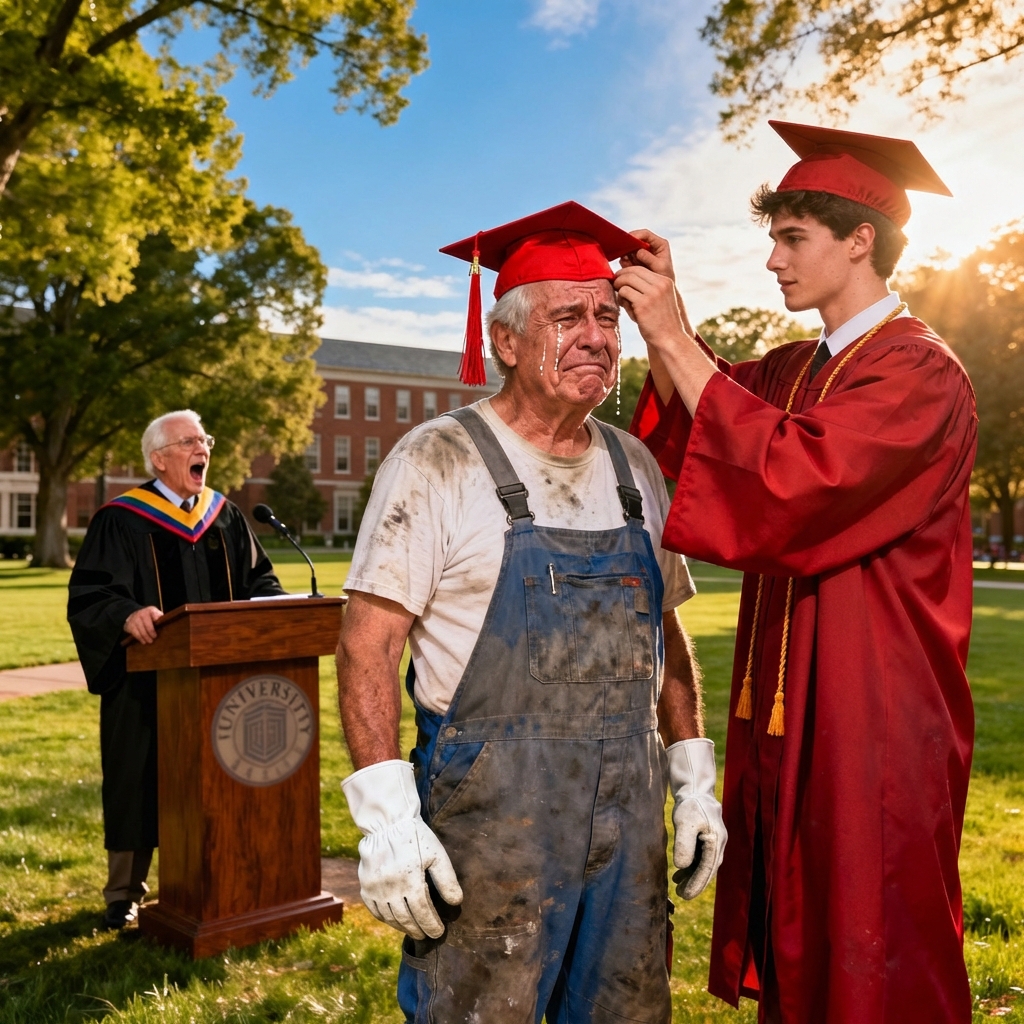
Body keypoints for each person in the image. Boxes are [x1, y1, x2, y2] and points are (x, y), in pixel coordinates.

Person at [614, 122, 978, 1023]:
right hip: (785, 696)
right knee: (796, 907)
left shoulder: (918, 373)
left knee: (875, 924)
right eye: (771, 238)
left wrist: (674, 334)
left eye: (792, 238)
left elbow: (793, 471)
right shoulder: (794, 368)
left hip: (875, 703)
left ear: (861, 240)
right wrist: (668, 319)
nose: (772, 260)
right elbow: (706, 423)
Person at [336, 202, 728, 1024]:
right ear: (506, 342)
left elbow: (665, 629)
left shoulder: (637, 466)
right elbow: (366, 646)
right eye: (566, 317)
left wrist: (693, 778)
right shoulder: (438, 457)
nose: (595, 335)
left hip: (630, 812)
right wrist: (387, 820)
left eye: (607, 315)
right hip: (492, 817)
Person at [67, 409, 284, 930]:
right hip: (145, 682)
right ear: (159, 458)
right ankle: (124, 893)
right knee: (137, 780)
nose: (201, 449)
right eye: (188, 442)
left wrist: (276, 608)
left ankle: (222, 877)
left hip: (221, 686)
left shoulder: (225, 515)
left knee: (220, 778)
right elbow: (90, 594)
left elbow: (262, 580)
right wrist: (125, 613)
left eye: (204, 440)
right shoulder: (120, 519)